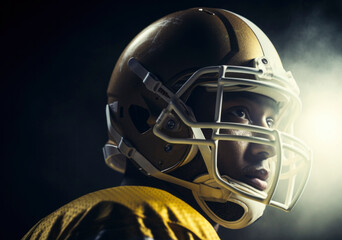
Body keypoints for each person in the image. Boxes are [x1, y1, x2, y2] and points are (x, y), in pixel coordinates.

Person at [22, 7, 312, 240]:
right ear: (150, 117)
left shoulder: (79, 217)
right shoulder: (151, 220)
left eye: (271, 120)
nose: (269, 148)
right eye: (240, 113)